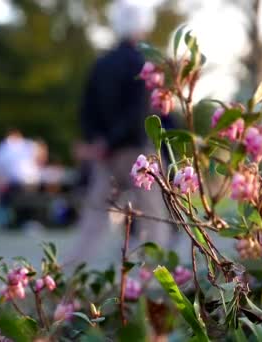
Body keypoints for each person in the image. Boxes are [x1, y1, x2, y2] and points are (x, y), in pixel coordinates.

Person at [69, 0, 169, 262]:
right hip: (137, 151)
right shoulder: (144, 63)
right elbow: (140, 114)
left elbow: (86, 109)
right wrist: (112, 141)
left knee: (94, 220)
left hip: (105, 154)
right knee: (155, 218)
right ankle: (157, 276)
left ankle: (70, 274)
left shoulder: (101, 64)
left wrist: (98, 142)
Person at [0, 129, 44, 227]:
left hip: (15, 183)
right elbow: (41, 154)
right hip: (28, 181)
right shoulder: (27, 144)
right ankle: (27, 221)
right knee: (27, 201)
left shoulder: (0, 148)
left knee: (20, 202)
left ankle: (20, 222)